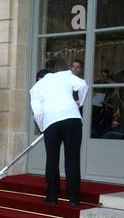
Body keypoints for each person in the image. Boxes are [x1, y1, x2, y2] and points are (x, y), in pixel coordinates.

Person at [30, 69, 89, 207]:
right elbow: (83, 85)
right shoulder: (65, 75)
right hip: (72, 118)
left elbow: (38, 112)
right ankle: (74, 199)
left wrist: (42, 128)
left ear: (40, 77)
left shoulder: (36, 87)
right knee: (73, 159)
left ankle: (52, 197)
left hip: (51, 121)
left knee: (52, 159)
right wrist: (79, 102)